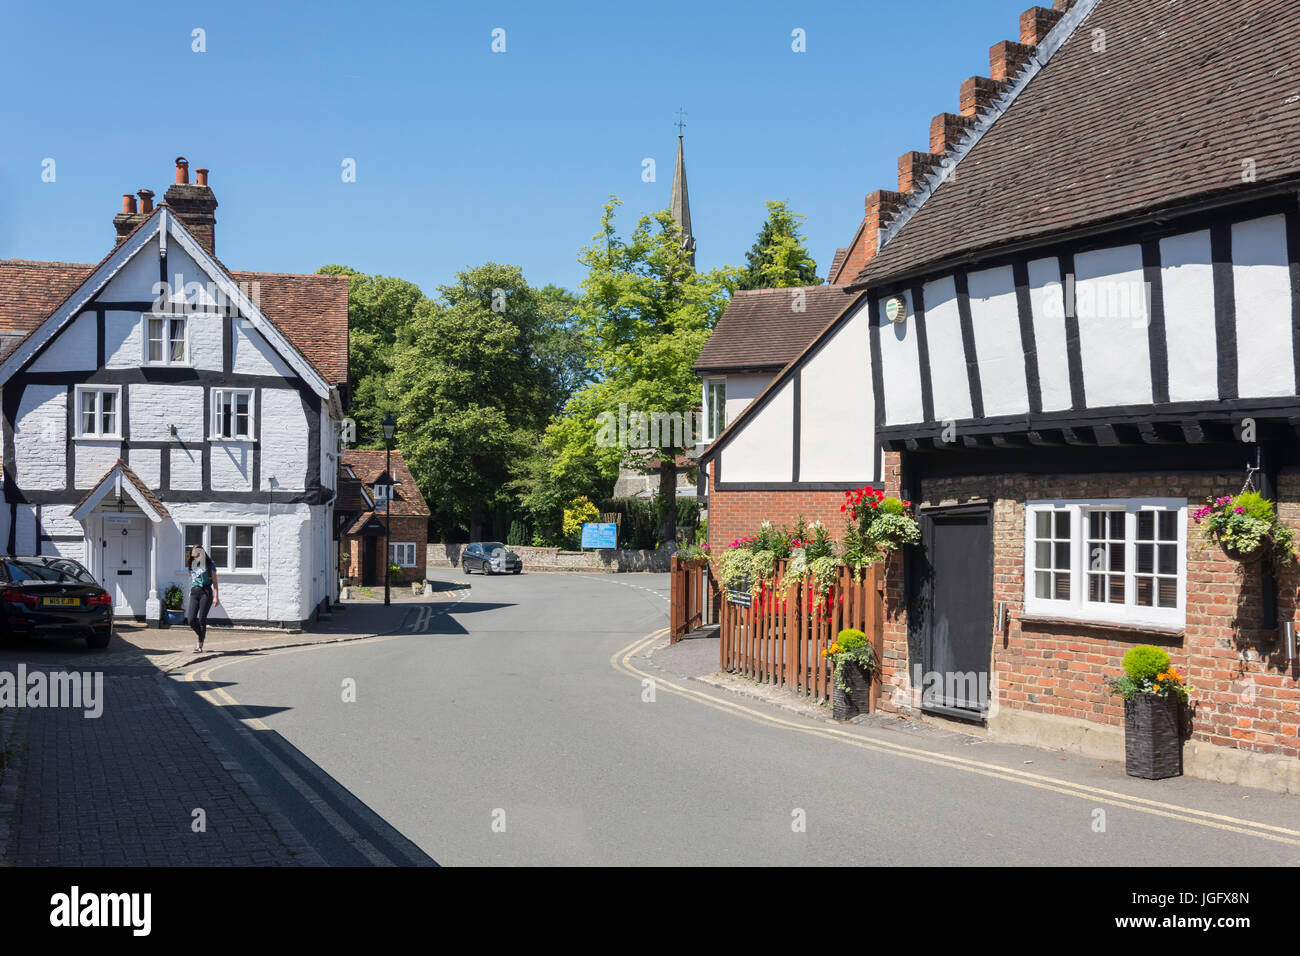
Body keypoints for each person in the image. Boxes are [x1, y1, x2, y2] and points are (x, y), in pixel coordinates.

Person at [185, 544, 220, 652]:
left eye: (198, 553)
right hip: (195, 592)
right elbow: (192, 578)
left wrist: (216, 597)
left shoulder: (210, 564)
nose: (196, 556)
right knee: (190, 619)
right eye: (194, 554)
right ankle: (201, 635)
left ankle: (199, 645)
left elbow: (214, 582)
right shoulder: (191, 564)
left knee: (201, 620)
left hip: (206, 592)